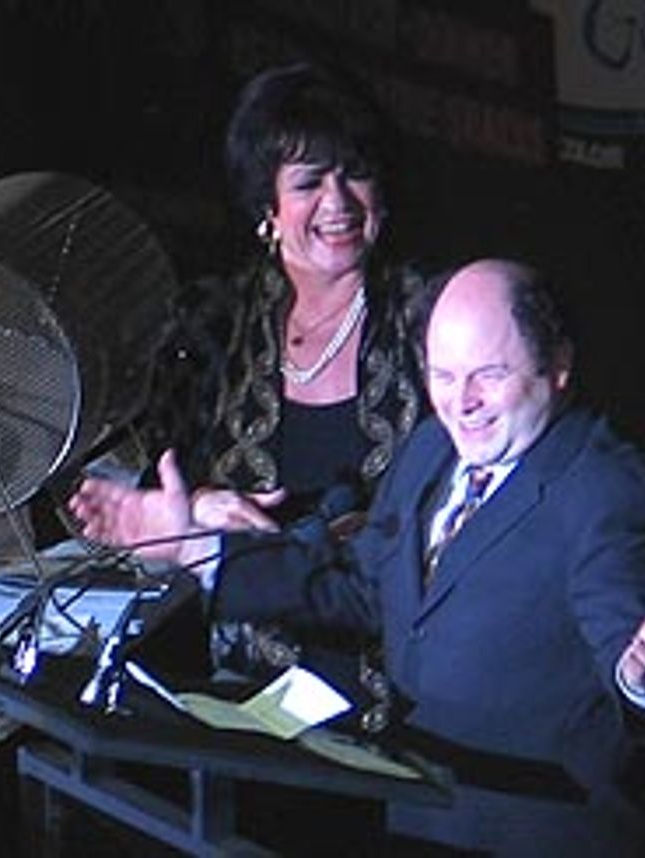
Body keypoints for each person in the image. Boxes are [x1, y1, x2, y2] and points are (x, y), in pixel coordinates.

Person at [71, 259, 645, 856]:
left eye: (489, 375)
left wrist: (640, 676)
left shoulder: (611, 492)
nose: (462, 402)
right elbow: (361, 586)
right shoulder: (431, 450)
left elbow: (626, 633)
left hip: (537, 832)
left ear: (557, 366)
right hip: (423, 816)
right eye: (443, 376)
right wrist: (197, 550)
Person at [116, 61, 426, 702]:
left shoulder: (430, 317)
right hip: (246, 694)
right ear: (268, 209)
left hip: (401, 689)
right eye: (309, 182)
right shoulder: (210, 321)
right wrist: (198, 507)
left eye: (355, 173)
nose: (338, 202)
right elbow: (145, 481)